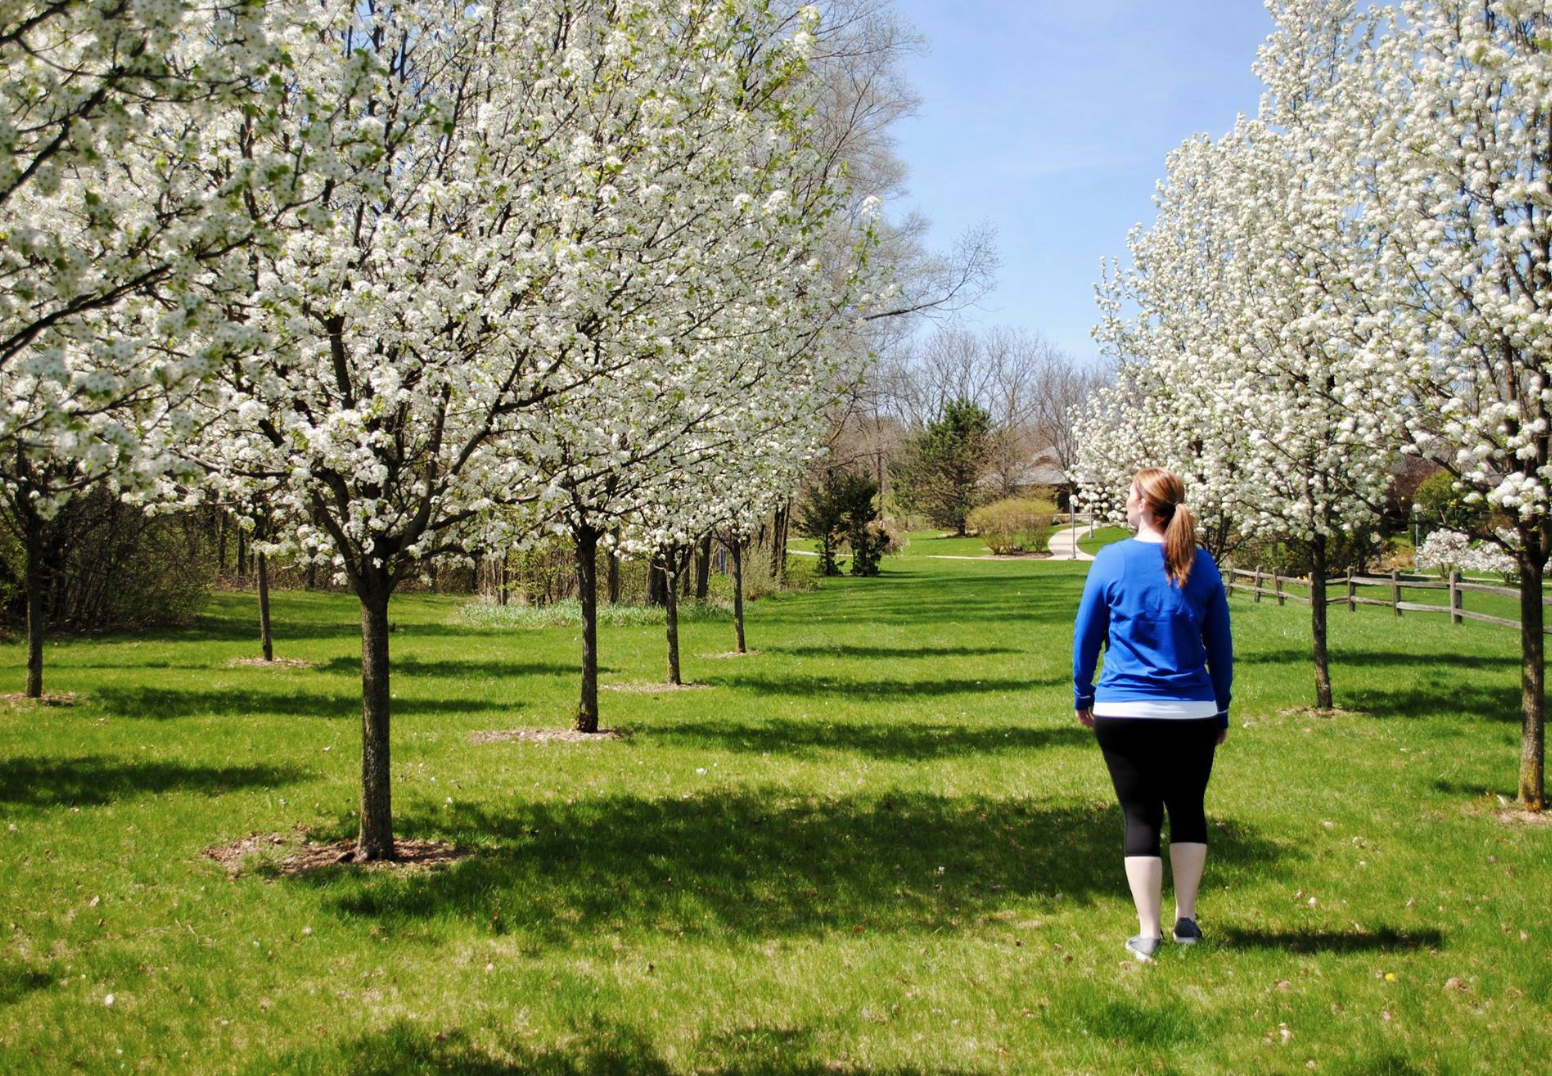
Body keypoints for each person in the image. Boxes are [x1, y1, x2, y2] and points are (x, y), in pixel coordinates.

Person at [1072, 468, 1232, 962]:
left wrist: (1084, 693)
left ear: (1144, 503)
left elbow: (1086, 636)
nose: (1124, 500)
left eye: (1129, 493)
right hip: (1193, 712)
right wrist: (1220, 706)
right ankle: (1187, 921)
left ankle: (1148, 934)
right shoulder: (1201, 564)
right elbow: (1221, 647)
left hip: (1125, 709)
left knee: (1140, 816)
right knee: (1188, 810)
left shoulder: (1112, 560)